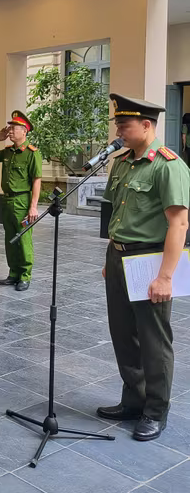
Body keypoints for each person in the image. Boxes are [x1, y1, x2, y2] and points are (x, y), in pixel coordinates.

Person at [98, 94, 190, 442]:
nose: (119, 128)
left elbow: (178, 225)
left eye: (125, 123)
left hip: (150, 260)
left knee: (153, 340)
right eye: (118, 123)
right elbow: (117, 215)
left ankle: (155, 411)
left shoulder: (168, 165)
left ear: (147, 125)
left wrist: (165, 276)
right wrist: (110, 257)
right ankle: (133, 400)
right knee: (123, 334)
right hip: (118, 257)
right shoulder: (122, 162)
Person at [0, 110, 42, 291]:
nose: (9, 131)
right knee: (10, 238)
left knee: (23, 239)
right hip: (7, 201)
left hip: (22, 202)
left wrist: (33, 207)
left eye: (13, 128)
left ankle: (25, 275)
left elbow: (36, 181)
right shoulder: (8, 151)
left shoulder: (32, 153)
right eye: (9, 128)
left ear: (24, 131)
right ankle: (13, 273)